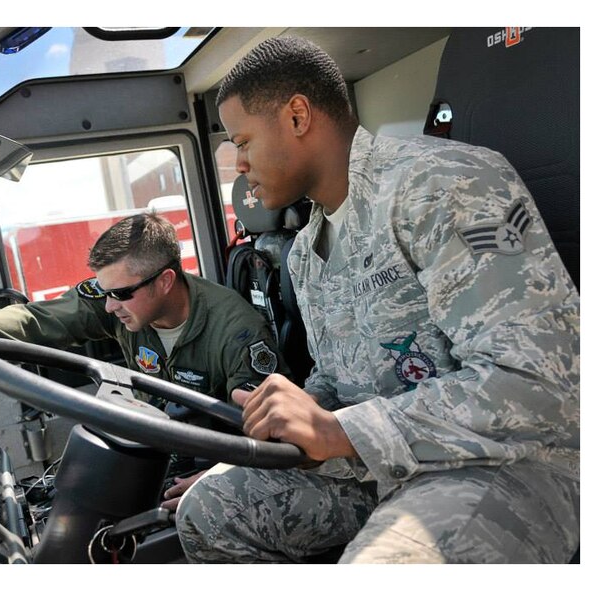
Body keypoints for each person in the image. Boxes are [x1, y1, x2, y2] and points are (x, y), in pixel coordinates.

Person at [174, 36, 580, 563]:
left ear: (298, 116)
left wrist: (341, 431)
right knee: (210, 510)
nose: (240, 165)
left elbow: (541, 386)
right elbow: (335, 379)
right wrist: (283, 430)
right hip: (377, 464)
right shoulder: (305, 254)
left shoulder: (440, 184)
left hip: (501, 465)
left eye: (244, 141)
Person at [0, 212, 291, 510]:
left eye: (120, 294)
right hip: (157, 446)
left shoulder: (237, 332)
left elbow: (272, 437)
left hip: (210, 462)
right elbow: (37, 318)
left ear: (166, 281)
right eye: (103, 293)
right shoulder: (120, 301)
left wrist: (221, 476)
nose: (109, 306)